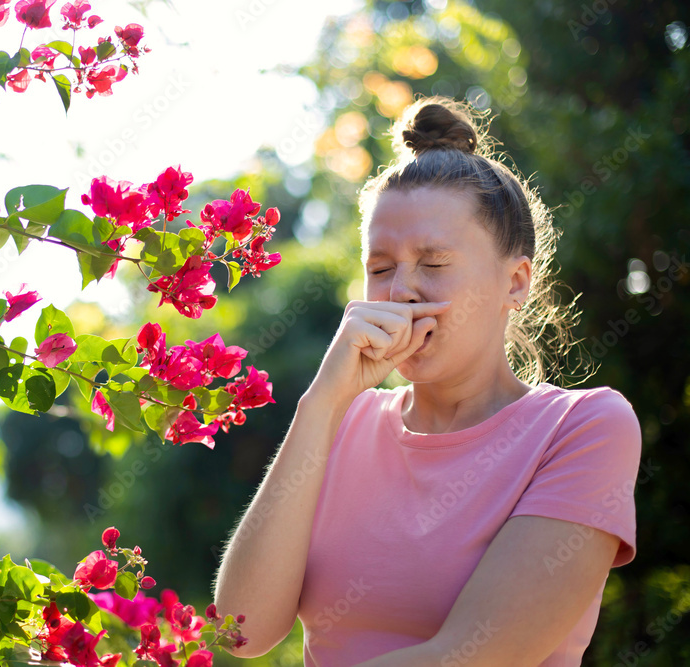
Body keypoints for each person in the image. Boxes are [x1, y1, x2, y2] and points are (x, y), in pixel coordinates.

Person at [212, 95, 642, 666]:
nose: (400, 292)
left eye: (434, 264)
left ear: (515, 283)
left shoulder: (582, 427)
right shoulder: (342, 422)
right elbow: (238, 631)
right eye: (381, 268)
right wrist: (321, 405)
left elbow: (468, 657)